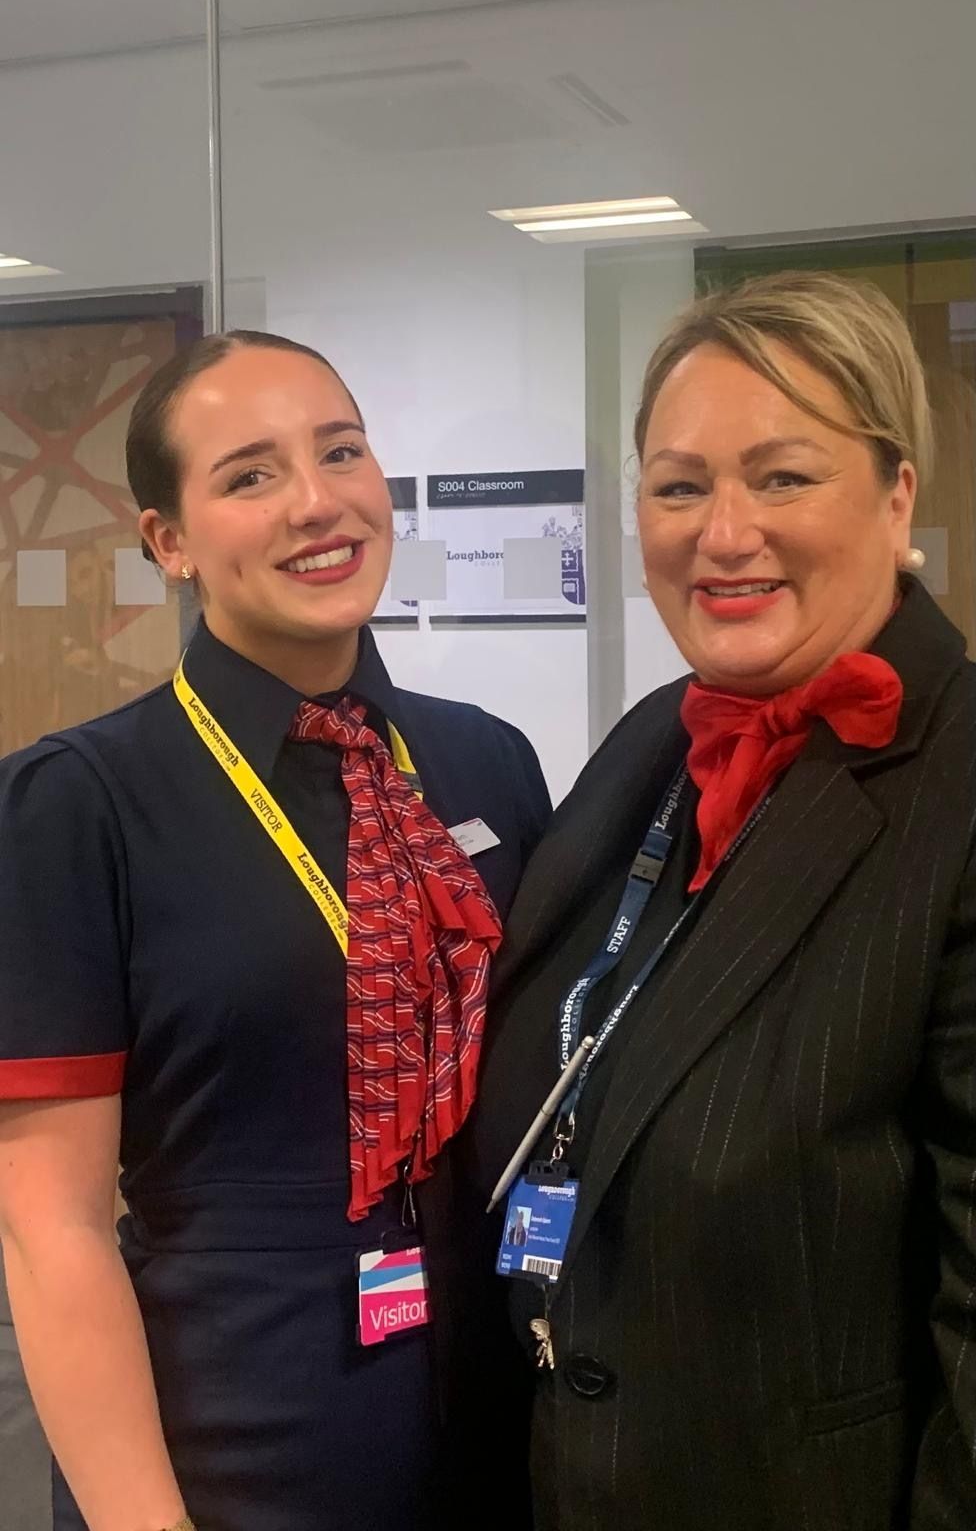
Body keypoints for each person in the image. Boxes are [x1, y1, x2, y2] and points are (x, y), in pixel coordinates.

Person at [0, 329, 551, 1531]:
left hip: (492, 1400)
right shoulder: (80, 803)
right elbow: (52, 1230)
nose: (317, 503)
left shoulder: (484, 761)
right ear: (171, 540)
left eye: (339, 451)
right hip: (239, 1426)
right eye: (248, 475)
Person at [466, 272, 976, 1530]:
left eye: (784, 476)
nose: (724, 532)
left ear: (896, 492)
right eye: (680, 484)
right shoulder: (648, 744)